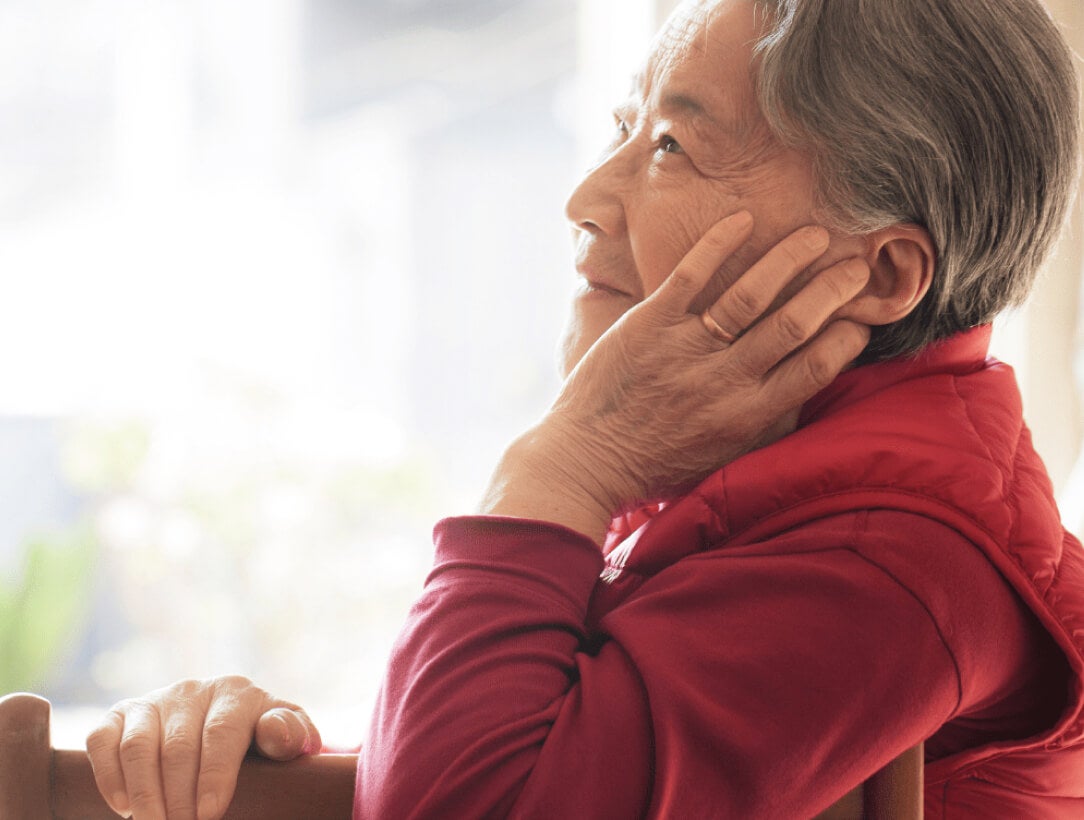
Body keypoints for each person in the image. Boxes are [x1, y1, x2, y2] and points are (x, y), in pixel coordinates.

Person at [85, 0, 1084, 817]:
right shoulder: (760, 482)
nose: (587, 197)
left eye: (672, 145)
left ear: (883, 273)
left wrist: (561, 468)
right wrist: (263, 760)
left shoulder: (891, 559)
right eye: (622, 127)